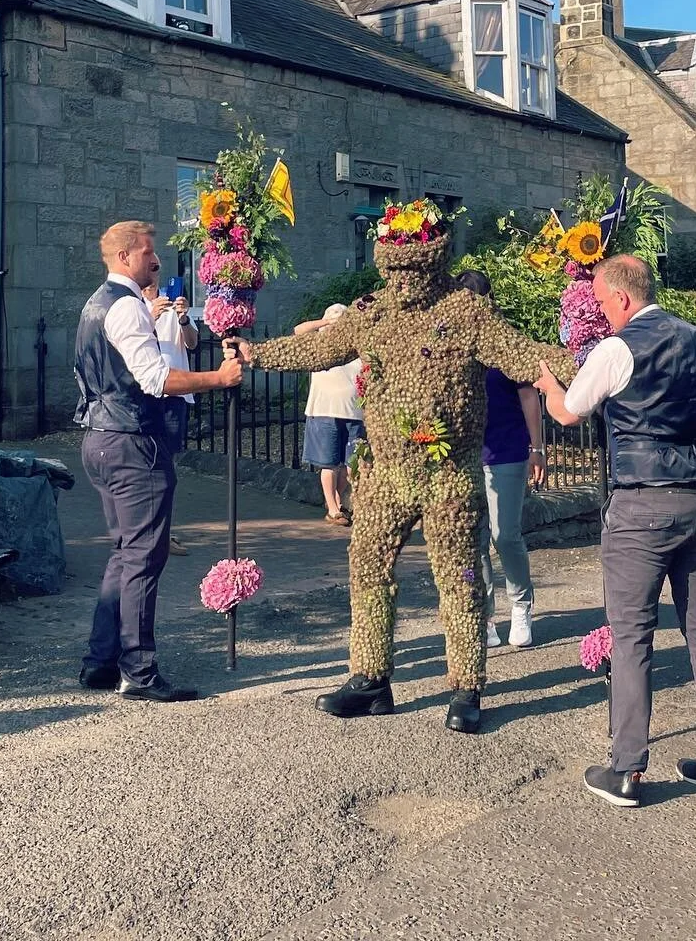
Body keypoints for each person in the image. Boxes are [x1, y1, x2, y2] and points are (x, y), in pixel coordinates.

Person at [237, 205, 574, 735]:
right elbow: (320, 346)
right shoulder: (371, 313)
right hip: (382, 475)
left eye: (413, 270)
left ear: (435, 263)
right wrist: (256, 354)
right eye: (393, 270)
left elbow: (525, 356)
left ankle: (466, 686)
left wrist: (594, 363)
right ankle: (371, 678)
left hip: (448, 475)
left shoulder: (468, 313)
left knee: (460, 579)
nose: (403, 280)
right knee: (367, 571)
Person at [536, 254, 696, 808]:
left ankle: (627, 769)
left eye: (602, 303)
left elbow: (570, 413)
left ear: (622, 298)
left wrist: (547, 382)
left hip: (642, 505)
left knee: (631, 637)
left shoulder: (617, 347)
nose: (602, 313)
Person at [74, 220, 242, 702]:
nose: (157, 261)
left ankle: (100, 662)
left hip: (102, 437)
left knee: (125, 554)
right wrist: (219, 378)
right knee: (145, 557)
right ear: (126, 257)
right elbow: (156, 379)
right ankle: (138, 671)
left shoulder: (95, 304)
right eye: (149, 253)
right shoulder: (125, 307)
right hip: (131, 444)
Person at [456, 270, 546, 649]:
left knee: (504, 535)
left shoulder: (504, 342)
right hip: (462, 454)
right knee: (472, 540)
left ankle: (521, 606)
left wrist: (537, 448)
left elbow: (529, 396)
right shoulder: (451, 342)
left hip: (506, 449)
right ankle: (485, 615)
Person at [141, 278, 200, 556]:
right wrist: (149, 315)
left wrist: (185, 318)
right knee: (143, 463)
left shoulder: (175, 310)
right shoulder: (134, 308)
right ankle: (145, 532)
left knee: (166, 466)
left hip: (175, 394)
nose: (153, 287)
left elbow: (192, 344)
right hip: (145, 394)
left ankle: (162, 533)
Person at [296, 303, 365, 525]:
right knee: (328, 463)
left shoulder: (356, 345)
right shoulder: (318, 344)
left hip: (354, 411)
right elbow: (298, 331)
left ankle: (334, 499)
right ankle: (333, 509)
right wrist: (325, 323)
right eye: (333, 317)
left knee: (350, 464)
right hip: (324, 409)